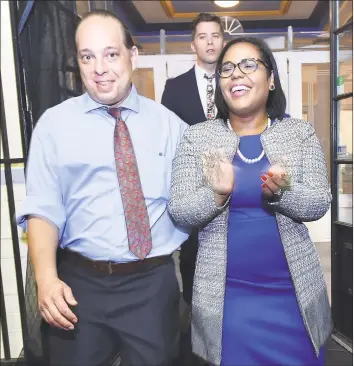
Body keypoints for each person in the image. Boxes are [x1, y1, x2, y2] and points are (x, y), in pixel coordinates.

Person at [17, 9, 188, 366]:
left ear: (133, 56)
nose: (100, 68)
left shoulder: (171, 127)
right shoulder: (55, 125)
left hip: (151, 285)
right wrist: (46, 280)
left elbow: (193, 202)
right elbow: (43, 207)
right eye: (87, 56)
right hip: (80, 287)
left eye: (111, 54)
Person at [168, 37, 332, 366]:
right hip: (227, 299)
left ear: (271, 79)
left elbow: (319, 202)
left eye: (249, 65)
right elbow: (180, 209)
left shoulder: (299, 133)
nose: (235, 75)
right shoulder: (198, 137)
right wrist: (216, 194)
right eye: (226, 69)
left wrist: (284, 191)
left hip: (293, 297)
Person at [161, 12, 225, 366]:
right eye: (203, 36)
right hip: (192, 194)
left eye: (215, 35)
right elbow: (169, 144)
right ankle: (199, 336)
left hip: (237, 190)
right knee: (193, 261)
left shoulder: (238, 79)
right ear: (193, 43)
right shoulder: (175, 86)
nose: (210, 42)